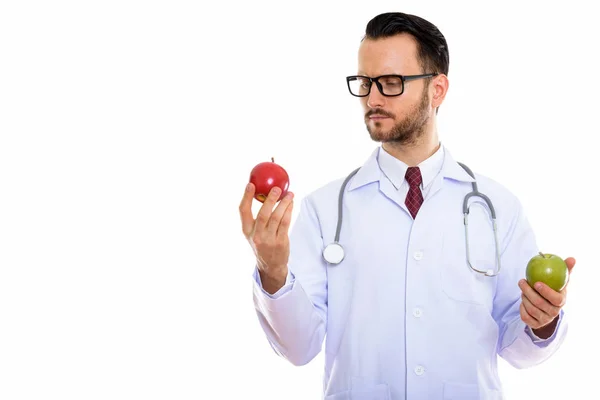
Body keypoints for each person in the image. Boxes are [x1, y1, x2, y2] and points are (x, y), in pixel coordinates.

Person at [239, 11, 575, 400]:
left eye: (391, 83)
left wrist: (542, 323)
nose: (372, 98)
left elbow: (518, 350)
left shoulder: (498, 207)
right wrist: (273, 270)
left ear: (438, 90)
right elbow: (299, 348)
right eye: (365, 83)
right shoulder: (324, 209)